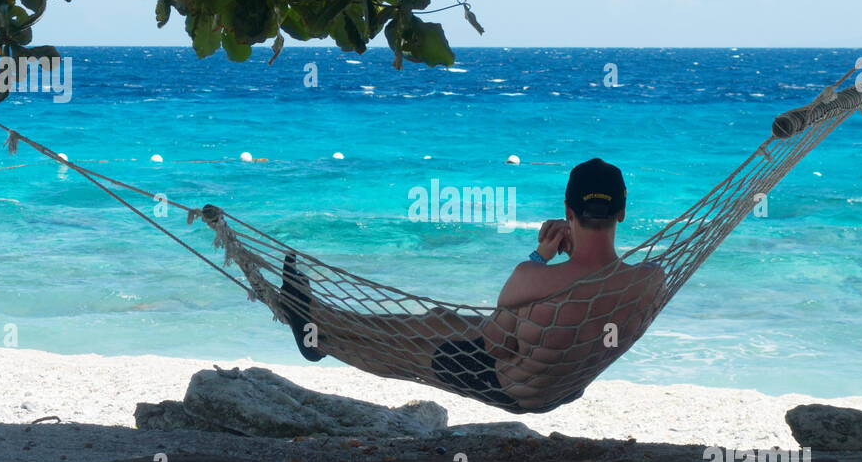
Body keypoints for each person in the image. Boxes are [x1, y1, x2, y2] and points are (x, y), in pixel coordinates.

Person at [278, 158, 663, 412]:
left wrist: (541, 255)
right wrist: (574, 258)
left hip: (513, 387)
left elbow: (494, 343)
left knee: (410, 351)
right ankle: (320, 322)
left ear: (567, 211)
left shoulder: (536, 280)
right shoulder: (651, 280)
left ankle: (321, 335)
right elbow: (593, 288)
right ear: (623, 211)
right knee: (440, 318)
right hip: (563, 385)